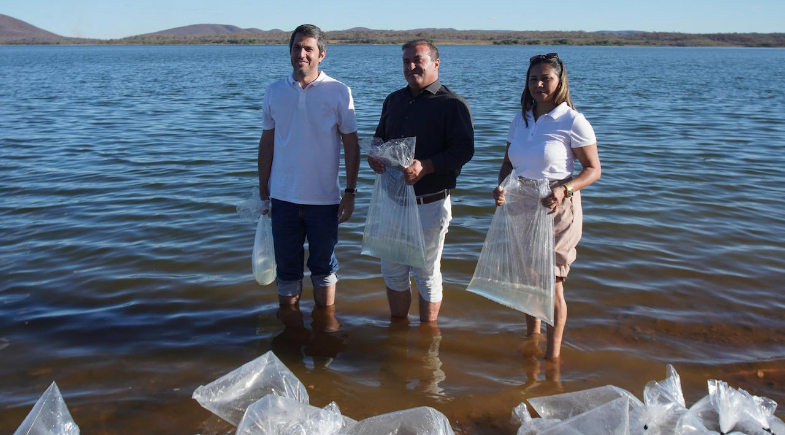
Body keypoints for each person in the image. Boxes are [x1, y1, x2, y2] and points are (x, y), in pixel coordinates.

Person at [493, 53, 601, 360]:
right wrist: (502, 187)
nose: (539, 85)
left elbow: (593, 169)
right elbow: (507, 164)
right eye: (533, 79)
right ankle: (532, 342)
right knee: (530, 278)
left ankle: (552, 358)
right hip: (521, 205)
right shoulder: (521, 119)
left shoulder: (573, 120)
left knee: (552, 283)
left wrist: (564, 189)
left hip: (557, 208)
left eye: (546, 79)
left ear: (559, 81)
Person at [369, 40, 474, 323]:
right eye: (406, 61)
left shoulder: (452, 104)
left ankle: (428, 338)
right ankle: (398, 329)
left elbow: (464, 150)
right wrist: (374, 156)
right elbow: (380, 138)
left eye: (418, 60)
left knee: (426, 274)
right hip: (393, 201)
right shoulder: (393, 100)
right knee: (392, 271)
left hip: (430, 203)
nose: (411, 66)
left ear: (436, 63)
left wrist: (426, 166)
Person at [258, 24, 360, 307]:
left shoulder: (339, 91)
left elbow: (352, 145)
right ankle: (290, 326)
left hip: (324, 200)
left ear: (321, 54)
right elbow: (267, 143)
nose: (301, 54)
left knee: (324, 270)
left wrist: (350, 192)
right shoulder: (274, 91)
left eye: (308, 49)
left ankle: (325, 327)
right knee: (286, 271)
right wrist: (263, 188)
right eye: (296, 47)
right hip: (283, 198)